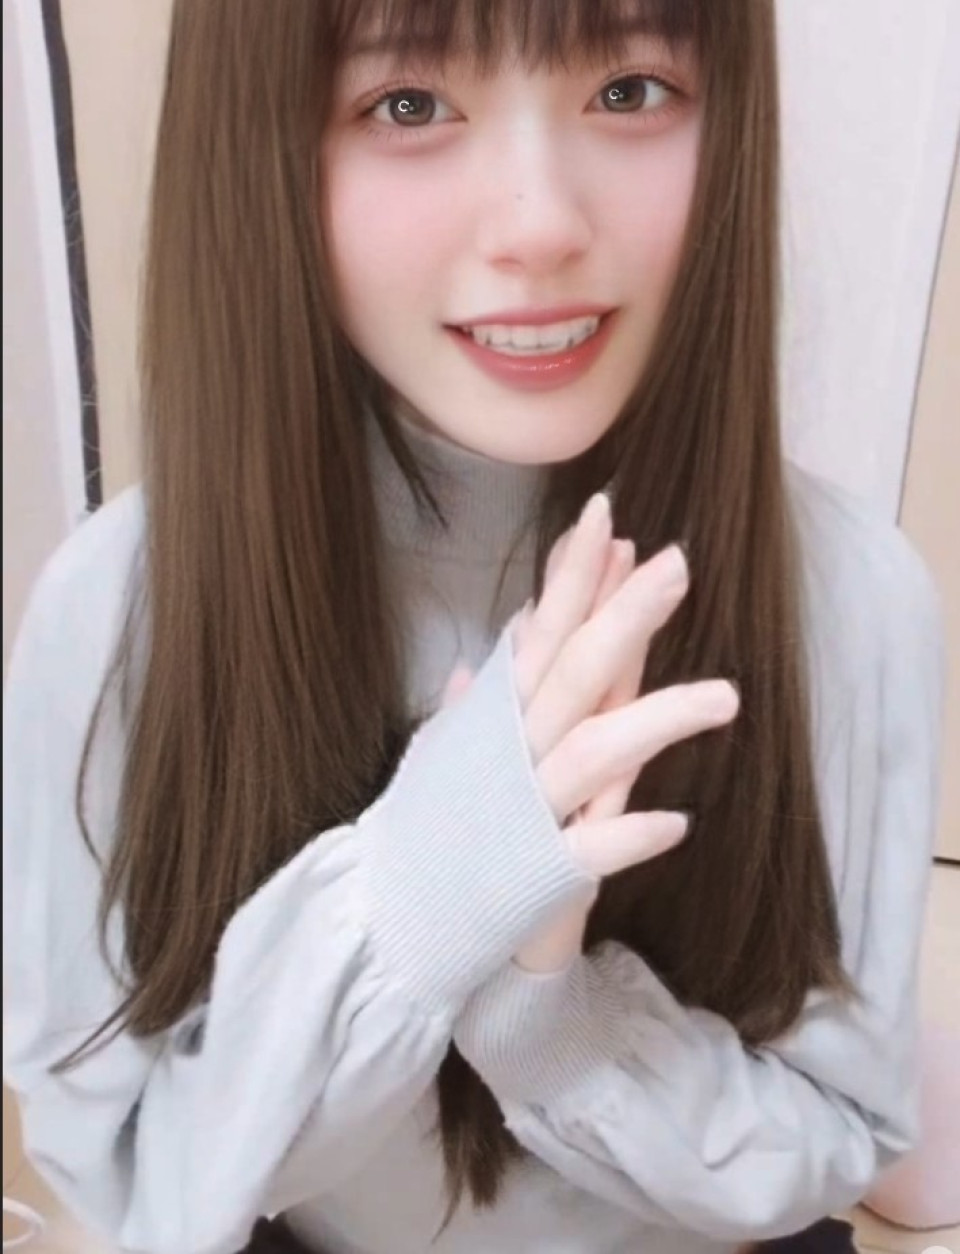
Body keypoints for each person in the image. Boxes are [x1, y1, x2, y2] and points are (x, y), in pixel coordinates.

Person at [2, 1, 945, 1253]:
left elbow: (840, 1131)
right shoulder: (117, 611)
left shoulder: (850, 600)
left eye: (629, 89)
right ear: (260, 142)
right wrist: (421, 896)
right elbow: (128, 1175)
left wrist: (549, 1016)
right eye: (409, 104)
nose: (541, 225)